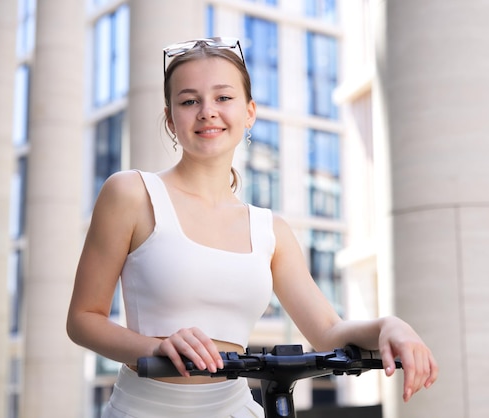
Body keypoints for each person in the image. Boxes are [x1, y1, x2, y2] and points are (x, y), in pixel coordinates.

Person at [66, 37, 438, 418]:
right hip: (144, 409)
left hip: (237, 410)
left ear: (249, 113)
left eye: (223, 98)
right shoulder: (131, 193)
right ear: (170, 118)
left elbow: (327, 330)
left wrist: (388, 327)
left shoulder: (270, 229)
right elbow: (83, 320)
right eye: (189, 101)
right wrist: (153, 348)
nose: (207, 112)